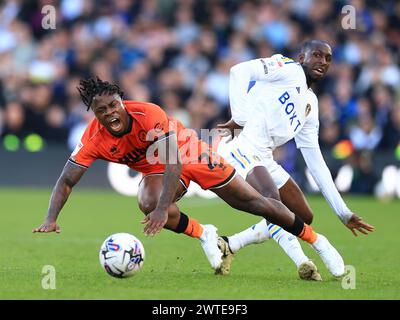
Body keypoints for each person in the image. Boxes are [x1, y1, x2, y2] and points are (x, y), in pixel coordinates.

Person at [33, 76, 345, 277]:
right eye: (102, 110)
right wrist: (51, 218)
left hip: (189, 152)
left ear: (123, 102)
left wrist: (161, 210)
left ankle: (319, 242)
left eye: (114, 105)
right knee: (147, 201)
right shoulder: (93, 138)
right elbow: (66, 180)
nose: (111, 113)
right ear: (94, 113)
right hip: (159, 167)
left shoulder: (149, 113)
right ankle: (205, 233)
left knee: (254, 203)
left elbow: (174, 162)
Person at [216, 40, 375, 278]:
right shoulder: (287, 68)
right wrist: (239, 117)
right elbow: (239, 71)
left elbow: (316, 162)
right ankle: (307, 257)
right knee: (272, 200)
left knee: (302, 216)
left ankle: (231, 244)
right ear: (302, 58)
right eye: (317, 55)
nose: (322, 62)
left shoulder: (311, 105)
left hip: (263, 156)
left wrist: (342, 212)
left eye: (328, 58)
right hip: (239, 147)